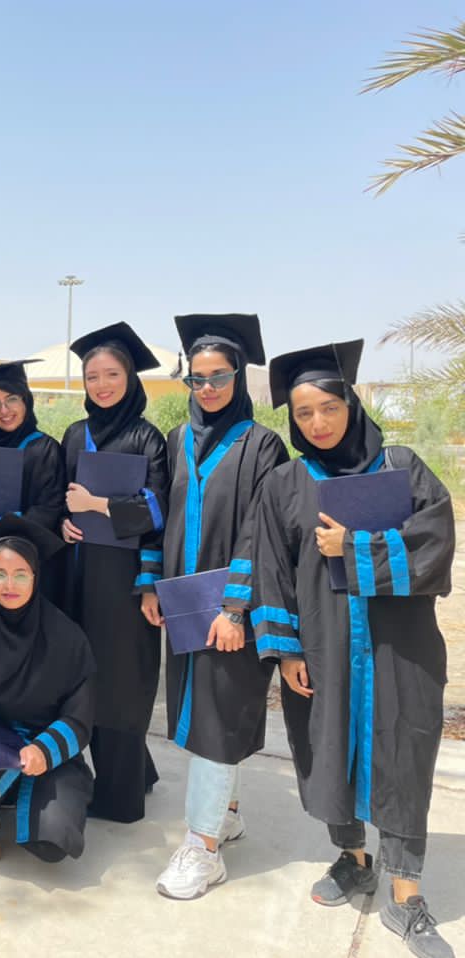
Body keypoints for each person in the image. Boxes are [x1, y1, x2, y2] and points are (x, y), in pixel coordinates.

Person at [246, 340, 455, 958]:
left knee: (404, 755)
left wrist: (357, 548)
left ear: (351, 403)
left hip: (400, 648)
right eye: (304, 413)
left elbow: (436, 543)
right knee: (329, 749)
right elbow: (270, 570)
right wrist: (286, 652)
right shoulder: (286, 482)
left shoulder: (401, 466)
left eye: (328, 408)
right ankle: (354, 859)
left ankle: (406, 895)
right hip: (323, 648)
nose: (318, 422)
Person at [149, 315, 288, 900]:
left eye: (219, 377)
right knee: (201, 711)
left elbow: (264, 531)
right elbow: (161, 516)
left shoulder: (263, 445)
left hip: (233, 610)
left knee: (218, 716)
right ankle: (225, 815)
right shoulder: (178, 439)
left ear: (239, 377)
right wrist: (152, 586)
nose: (207, 388)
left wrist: (235, 609)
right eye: (197, 379)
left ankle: (203, 849)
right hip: (186, 602)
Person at [59, 322, 169, 824]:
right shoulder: (74, 434)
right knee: (84, 674)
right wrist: (63, 522)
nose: (101, 385)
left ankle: (121, 797)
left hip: (124, 581)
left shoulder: (147, 437)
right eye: (92, 377)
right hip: (79, 575)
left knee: (123, 682)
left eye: (111, 375)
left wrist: (98, 504)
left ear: (130, 378)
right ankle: (135, 771)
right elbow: (59, 498)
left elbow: (158, 511)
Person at [0, 517, 94, 867]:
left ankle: (39, 793)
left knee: (52, 843)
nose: (9, 585)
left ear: (36, 577)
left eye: (20, 575)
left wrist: (43, 749)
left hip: (48, 748)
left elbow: (80, 714)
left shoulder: (66, 637)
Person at [0, 360, 67, 606]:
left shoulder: (44, 449)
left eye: (11, 399)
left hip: (28, 568)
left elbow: (48, 511)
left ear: (26, 399)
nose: (3, 410)